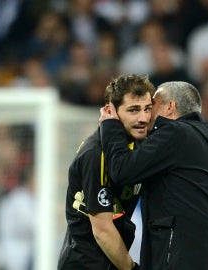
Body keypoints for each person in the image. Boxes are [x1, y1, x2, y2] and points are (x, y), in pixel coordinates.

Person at [99, 81, 208, 269]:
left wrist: (111, 126)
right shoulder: (206, 141)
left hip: (184, 256)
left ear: (170, 107)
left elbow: (122, 170)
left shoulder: (174, 133)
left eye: (152, 105)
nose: (146, 115)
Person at [57, 74, 155, 270]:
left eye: (147, 109)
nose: (143, 118)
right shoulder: (97, 154)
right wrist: (131, 268)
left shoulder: (139, 144)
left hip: (110, 260)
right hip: (85, 263)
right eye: (133, 110)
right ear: (112, 111)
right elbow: (102, 230)